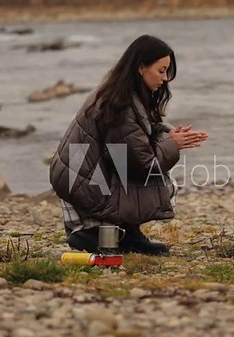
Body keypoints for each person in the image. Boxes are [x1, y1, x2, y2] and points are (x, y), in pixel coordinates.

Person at [49, 35, 208, 255]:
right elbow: (141, 164)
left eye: (167, 72)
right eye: (161, 71)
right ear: (141, 67)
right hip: (85, 185)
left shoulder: (119, 93)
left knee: (139, 170)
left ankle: (126, 231)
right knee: (161, 180)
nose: (165, 79)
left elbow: (131, 146)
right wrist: (173, 145)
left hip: (81, 178)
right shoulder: (120, 105)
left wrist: (167, 134)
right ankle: (93, 234)